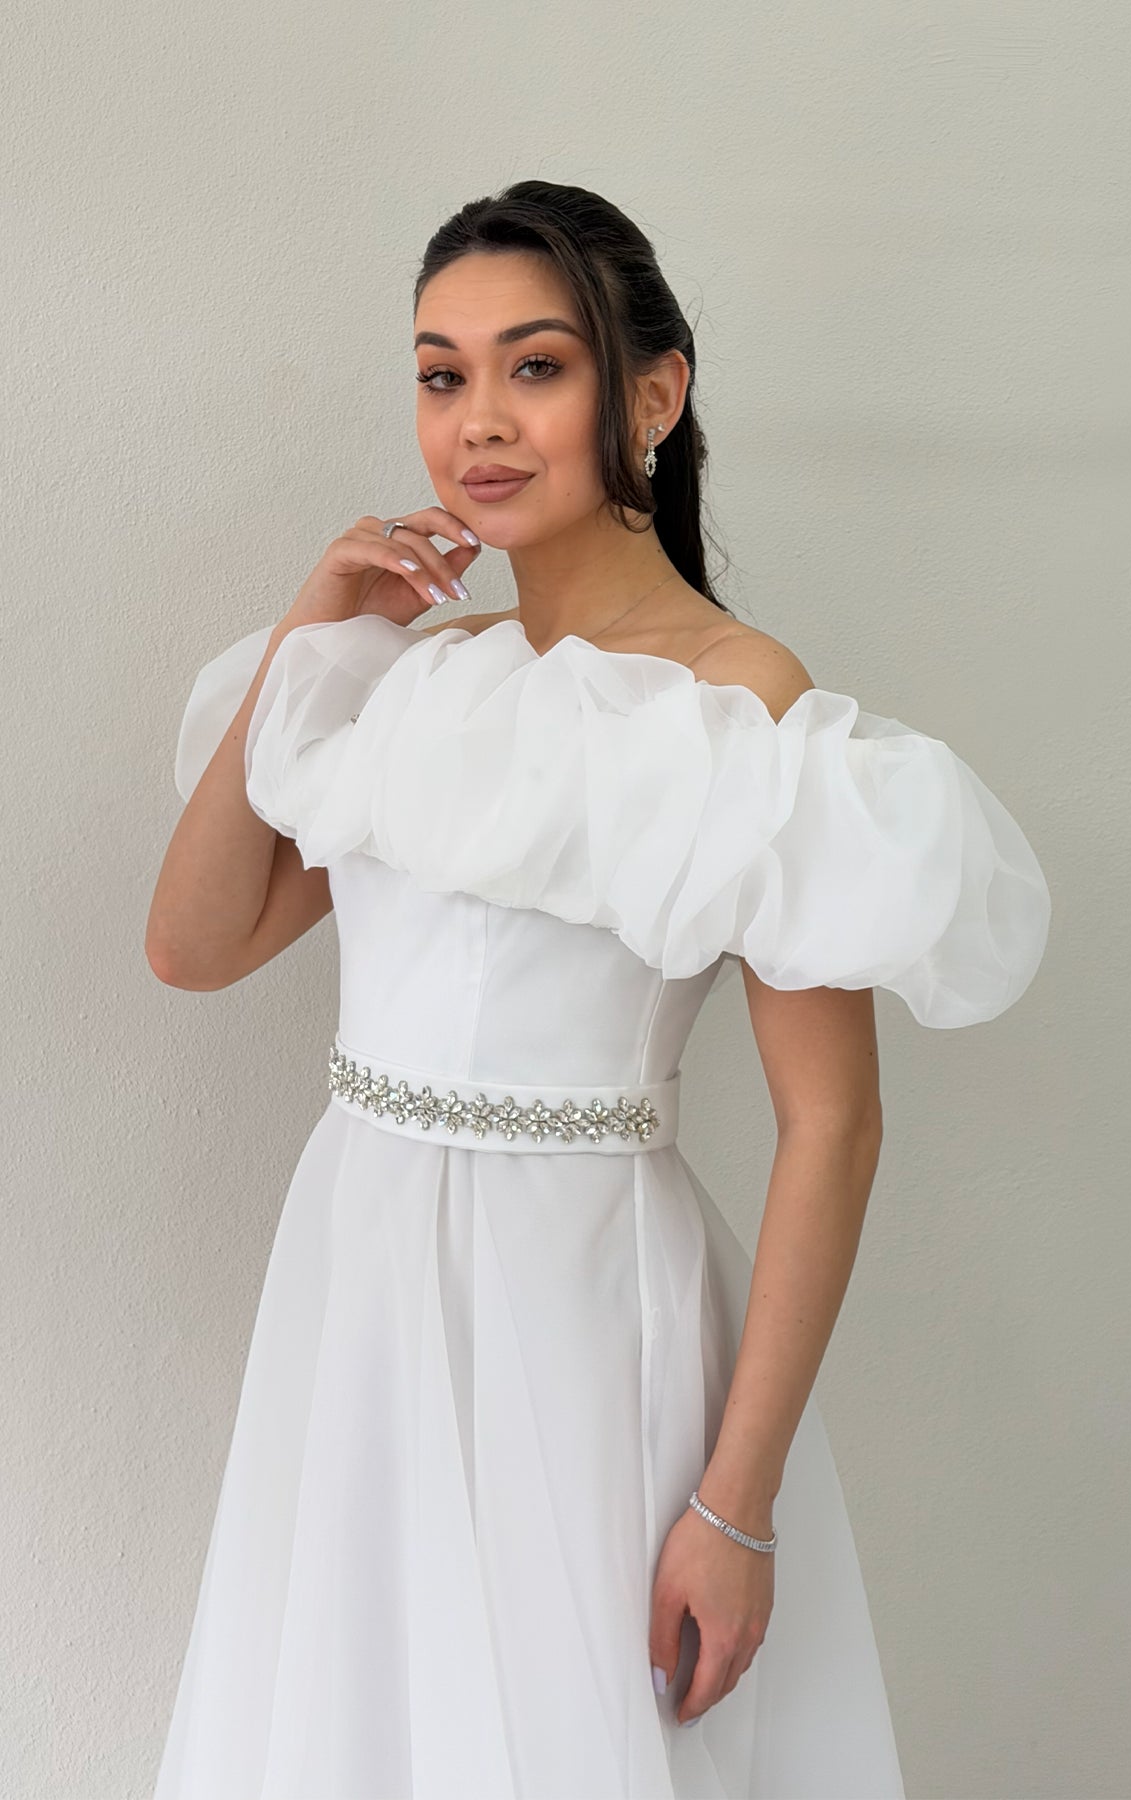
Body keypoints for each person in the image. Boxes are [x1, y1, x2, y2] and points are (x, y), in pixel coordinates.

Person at [146, 180, 1051, 1800]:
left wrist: (736, 1502)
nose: (478, 422)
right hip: (354, 1281)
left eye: (534, 368)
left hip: (573, 1298)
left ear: (655, 390)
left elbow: (832, 1126)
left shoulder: (738, 697)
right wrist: (313, 631)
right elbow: (195, 944)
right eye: (441, 375)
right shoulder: (423, 679)